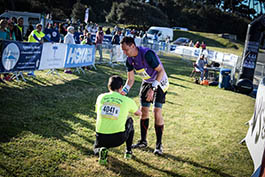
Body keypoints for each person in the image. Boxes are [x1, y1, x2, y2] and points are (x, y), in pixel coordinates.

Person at [120, 36, 169, 155]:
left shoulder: (147, 54)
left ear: (133, 45)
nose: (125, 53)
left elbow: (161, 71)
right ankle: (143, 141)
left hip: (160, 81)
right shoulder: (129, 60)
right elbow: (130, 79)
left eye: (126, 49)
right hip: (147, 81)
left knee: (156, 111)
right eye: (123, 50)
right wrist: (124, 92)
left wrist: (153, 88)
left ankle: (158, 146)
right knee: (143, 111)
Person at [94, 75, 142, 165]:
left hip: (100, 138)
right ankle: (128, 151)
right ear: (121, 87)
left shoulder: (100, 97)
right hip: (117, 139)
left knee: (98, 143)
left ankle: (101, 150)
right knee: (130, 121)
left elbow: (98, 111)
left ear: (109, 86)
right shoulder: (127, 100)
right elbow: (139, 113)